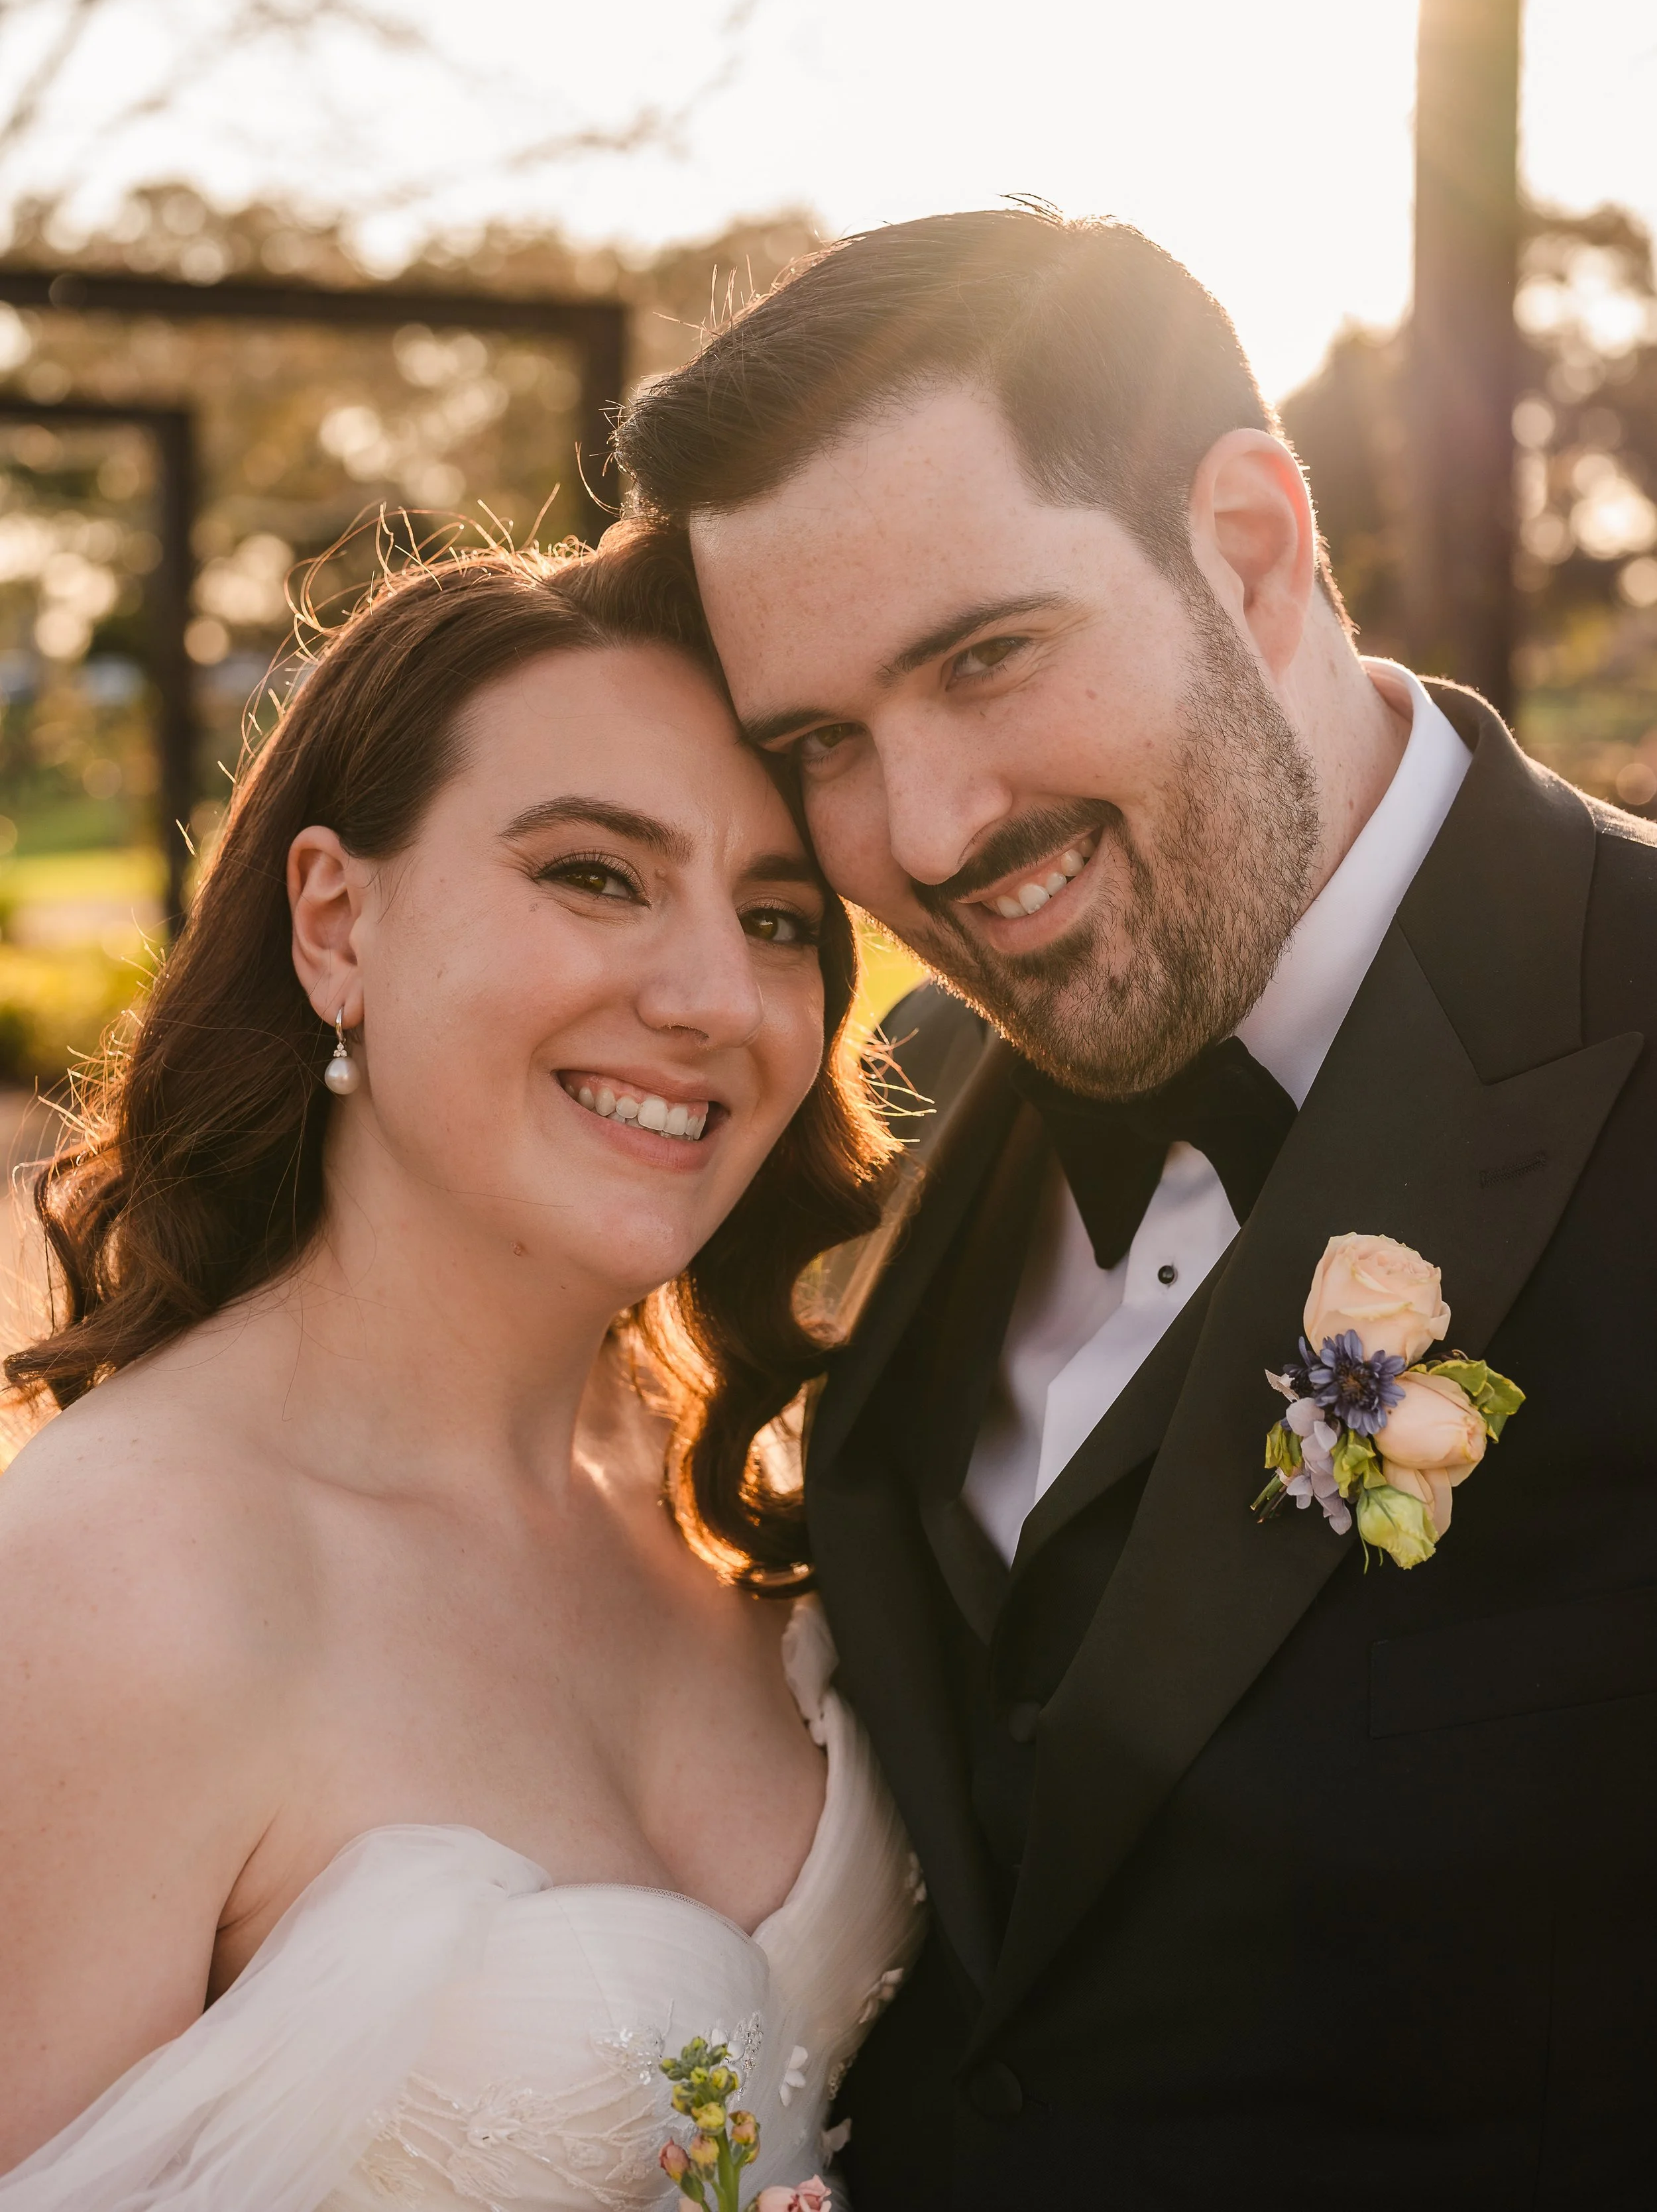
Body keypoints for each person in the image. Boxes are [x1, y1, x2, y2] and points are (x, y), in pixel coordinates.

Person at [613, 205, 1657, 2209]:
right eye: (821, 744)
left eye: (984, 656)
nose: (925, 834)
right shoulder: (893, 1106)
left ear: (1247, 549)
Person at [0, 536, 925, 2209]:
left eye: (776, 918)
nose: (714, 997)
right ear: (335, 924)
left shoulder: (741, 1488)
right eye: (594, 874)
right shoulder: (109, 1583)